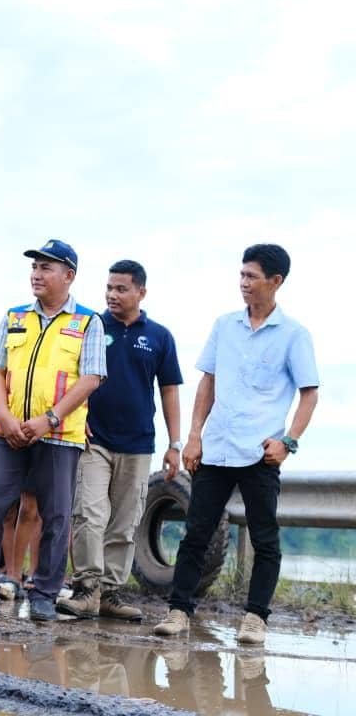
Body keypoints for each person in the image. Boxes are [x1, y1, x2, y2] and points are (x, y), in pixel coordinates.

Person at [154, 244, 318, 645]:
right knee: (196, 533)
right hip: (217, 448)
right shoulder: (224, 326)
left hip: (261, 452)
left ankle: (256, 618)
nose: (243, 282)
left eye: (251, 276)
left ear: (275, 281)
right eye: (241, 275)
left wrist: (288, 442)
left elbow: (309, 394)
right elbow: (207, 382)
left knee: (265, 539)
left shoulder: (294, 335)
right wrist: (194, 436)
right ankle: (178, 611)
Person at [0, 239, 106, 621]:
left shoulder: (87, 322)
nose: (36, 274)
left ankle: (44, 594)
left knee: (55, 516)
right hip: (8, 433)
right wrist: (3, 416)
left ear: (68, 276)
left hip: (58, 435)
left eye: (45, 267)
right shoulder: (15, 317)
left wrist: (49, 418)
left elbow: (91, 378)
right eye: (34, 267)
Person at [58, 260, 183, 620]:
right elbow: (69, 377)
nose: (112, 295)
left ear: (141, 292)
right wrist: (74, 417)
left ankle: (110, 593)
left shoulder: (159, 336)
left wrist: (175, 443)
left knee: (125, 522)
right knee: (89, 515)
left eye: (121, 289)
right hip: (93, 439)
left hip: (138, 443)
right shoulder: (91, 327)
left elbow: (169, 390)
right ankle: (86, 589)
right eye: (109, 288)